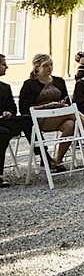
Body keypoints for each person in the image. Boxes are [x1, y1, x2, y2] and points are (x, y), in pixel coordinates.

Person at [19, 53, 84, 172]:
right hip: (39, 118)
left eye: (51, 65)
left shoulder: (59, 81)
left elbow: (67, 100)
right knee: (72, 113)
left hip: (60, 114)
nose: (50, 68)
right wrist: (47, 106)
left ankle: (57, 160)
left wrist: (62, 104)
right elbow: (24, 109)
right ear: (37, 67)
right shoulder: (29, 85)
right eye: (46, 65)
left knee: (71, 124)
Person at [0, 54, 31, 187]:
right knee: (3, 133)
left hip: (4, 121)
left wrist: (9, 112)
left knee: (27, 120)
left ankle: (44, 157)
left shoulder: (5, 87)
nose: (6, 67)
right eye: (3, 64)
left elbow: (13, 108)